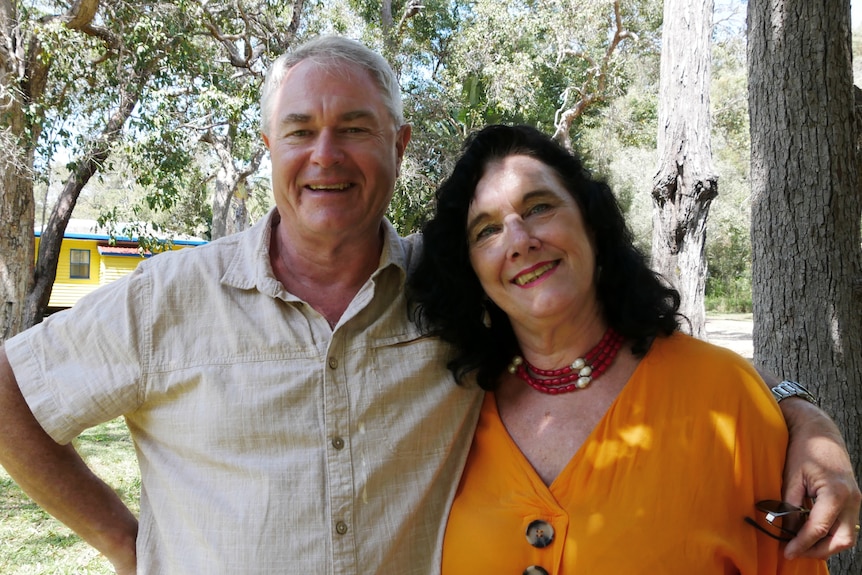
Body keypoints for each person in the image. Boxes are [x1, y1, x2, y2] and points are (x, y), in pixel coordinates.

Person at [0, 37, 857, 574]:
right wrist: (124, 540)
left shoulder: (451, 296)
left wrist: (799, 415)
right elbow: (12, 388)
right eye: (300, 130)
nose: (325, 156)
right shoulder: (171, 297)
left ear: (400, 144)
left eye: (357, 128)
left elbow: (619, 352)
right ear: (269, 147)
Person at [407, 124, 853, 573]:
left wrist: (804, 414)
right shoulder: (451, 413)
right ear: (473, 274)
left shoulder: (726, 397)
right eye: (486, 231)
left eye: (539, 207)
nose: (520, 240)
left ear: (592, 224)